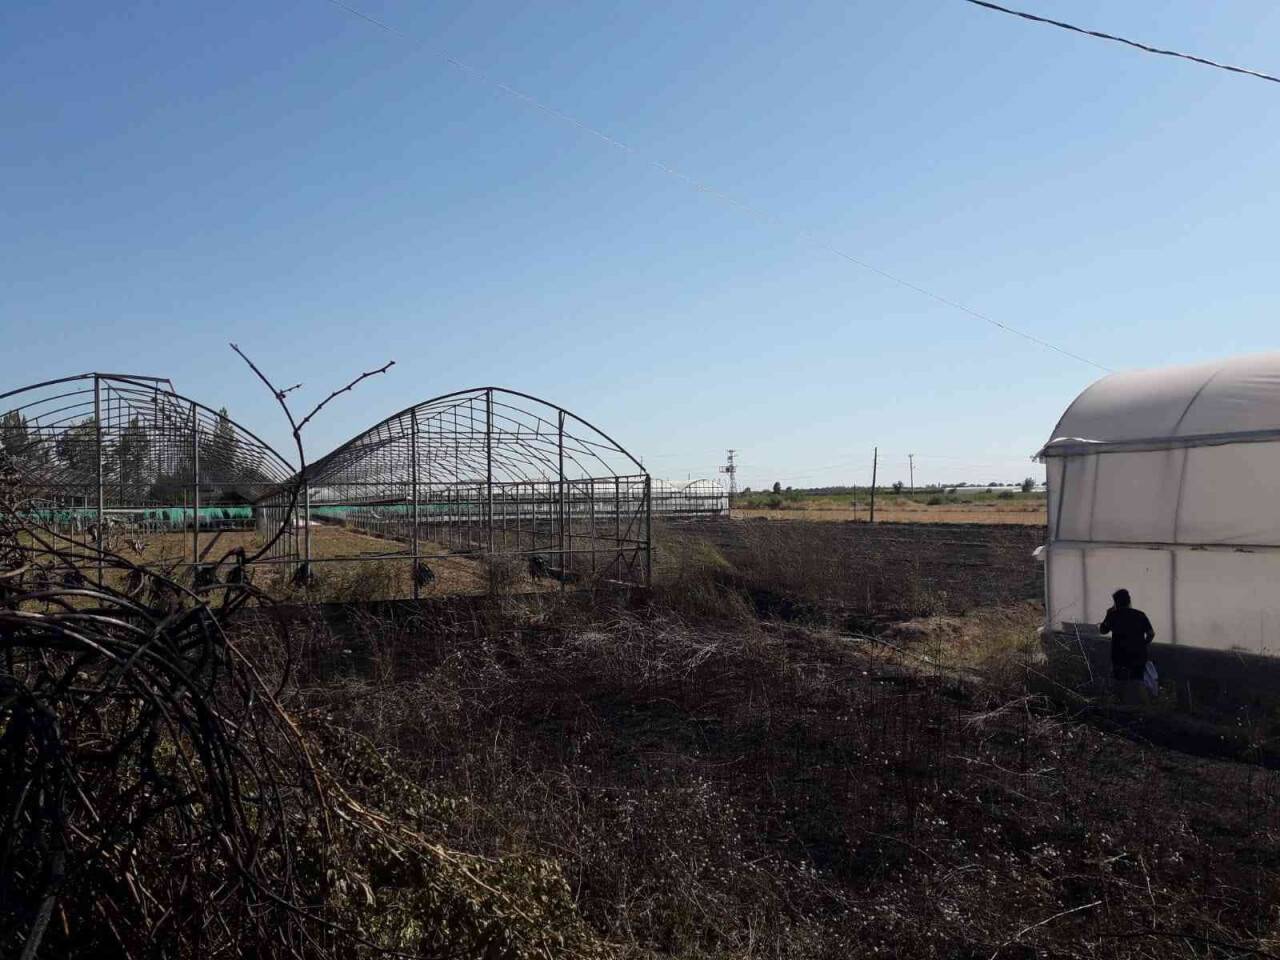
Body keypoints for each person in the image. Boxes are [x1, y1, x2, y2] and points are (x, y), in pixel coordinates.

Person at [1099, 588, 1155, 704]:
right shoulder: (1140, 614)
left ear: (1116, 602)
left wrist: (1107, 615)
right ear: (1129, 600)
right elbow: (1151, 634)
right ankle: (1142, 707)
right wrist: (1143, 645)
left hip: (1119, 656)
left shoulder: (1113, 616)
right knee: (1137, 682)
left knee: (1120, 683)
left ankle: (1122, 706)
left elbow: (1102, 630)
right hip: (1138, 656)